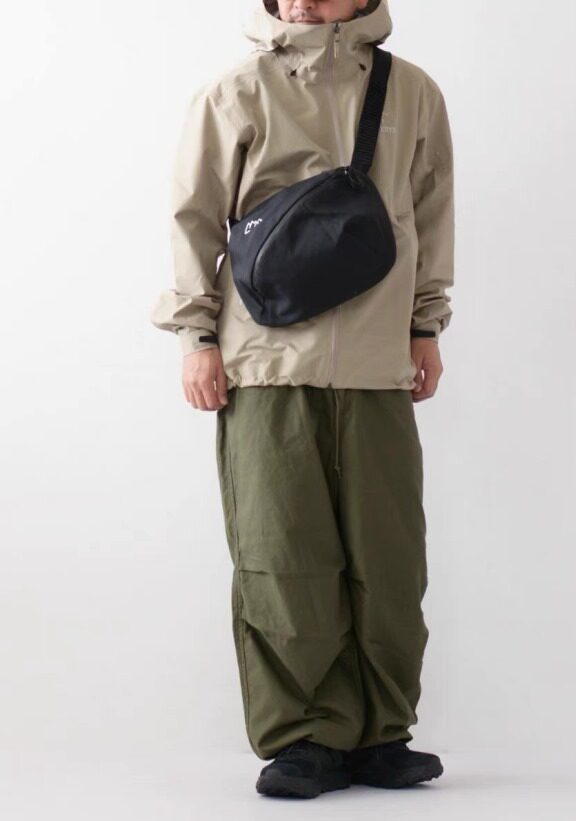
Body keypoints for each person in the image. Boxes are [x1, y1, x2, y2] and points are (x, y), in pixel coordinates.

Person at [150, 0, 455, 800]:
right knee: (281, 553)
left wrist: (426, 323)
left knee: (390, 558)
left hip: (379, 363)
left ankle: (383, 732)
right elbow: (193, 219)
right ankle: (306, 736)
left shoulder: (412, 91)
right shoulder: (235, 91)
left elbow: (430, 211)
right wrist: (196, 336)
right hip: (263, 364)